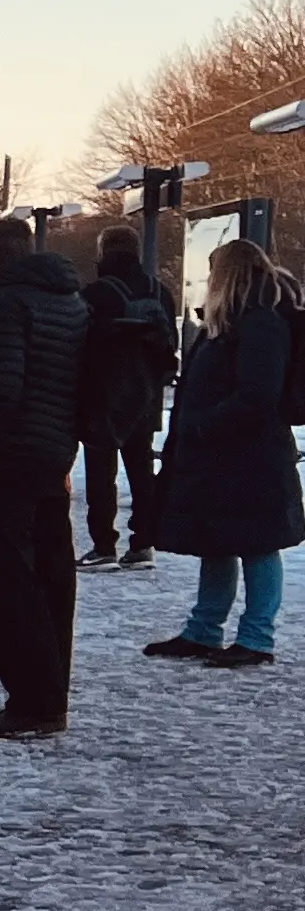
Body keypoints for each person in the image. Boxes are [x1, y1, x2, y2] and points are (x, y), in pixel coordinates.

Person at [0, 214, 88, 739]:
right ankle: (49, 694)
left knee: (8, 584)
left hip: (7, 462)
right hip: (53, 455)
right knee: (53, 580)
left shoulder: (6, 307)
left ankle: (32, 702)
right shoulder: (69, 301)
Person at [139, 241, 300, 668]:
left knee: (257, 544)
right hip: (225, 458)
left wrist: (205, 423)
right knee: (220, 539)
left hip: (249, 458)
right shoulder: (234, 323)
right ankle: (204, 629)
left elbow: (259, 393)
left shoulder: (260, 323)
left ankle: (256, 637)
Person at [77, 227, 177, 571]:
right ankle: (143, 544)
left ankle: (104, 545)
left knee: (101, 474)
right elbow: (170, 345)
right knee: (141, 471)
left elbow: (81, 345)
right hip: (146, 395)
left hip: (103, 395)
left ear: (103, 251)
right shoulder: (159, 291)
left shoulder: (95, 293)